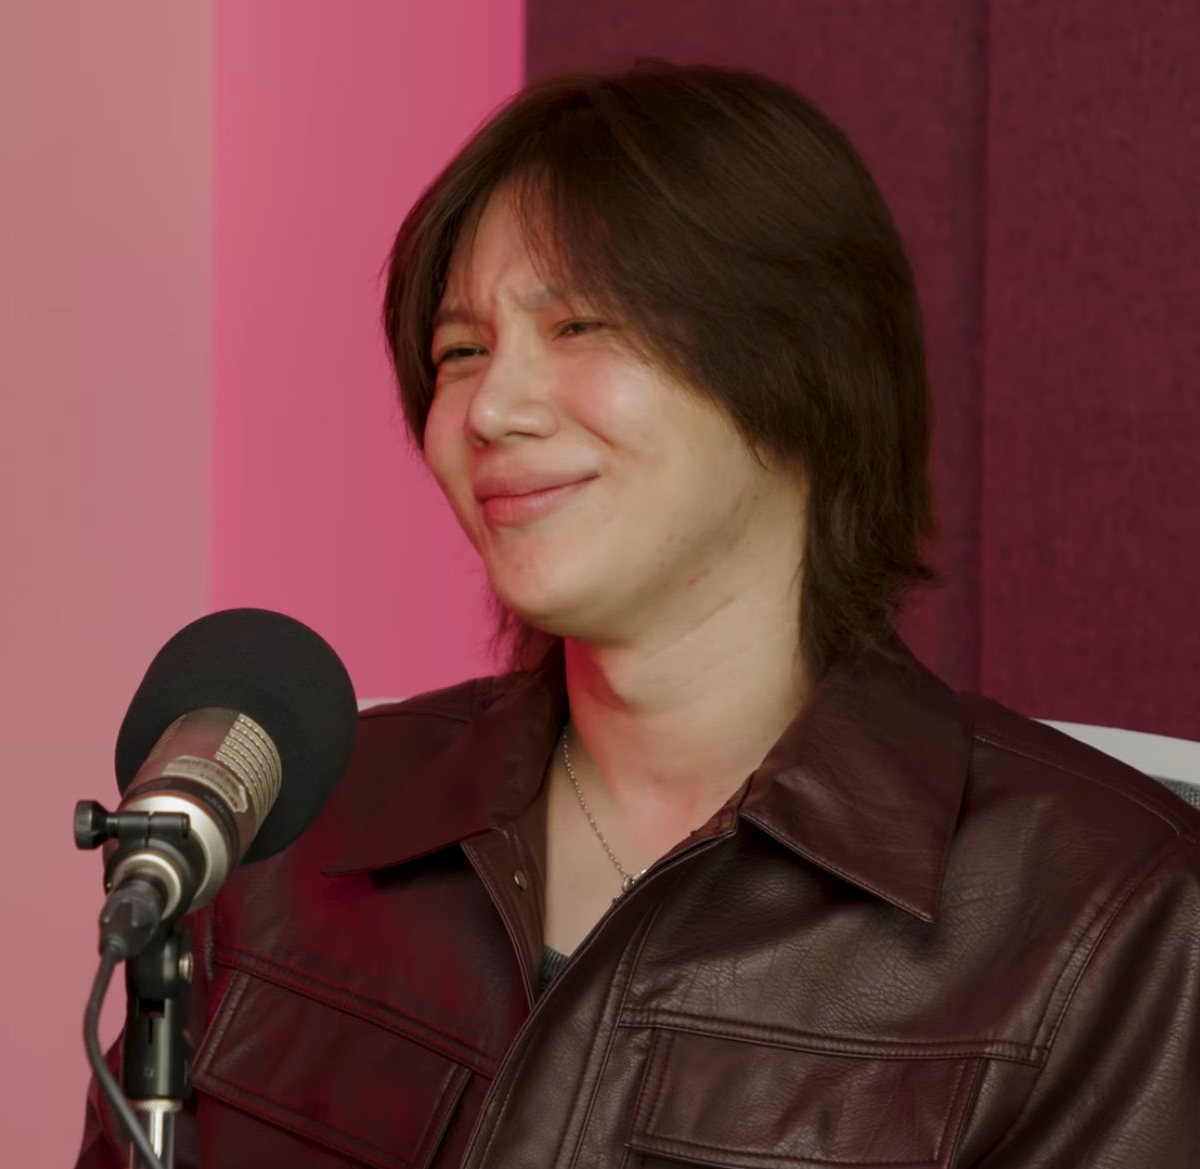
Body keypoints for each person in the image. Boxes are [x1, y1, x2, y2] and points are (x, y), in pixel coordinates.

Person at [77, 62, 1200, 1168]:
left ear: (803, 363)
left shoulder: (1104, 912)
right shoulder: (280, 825)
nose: (490, 409)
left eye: (578, 327)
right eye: (460, 351)